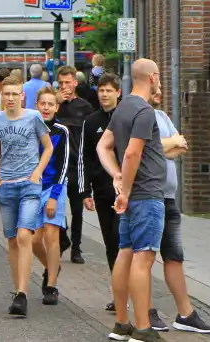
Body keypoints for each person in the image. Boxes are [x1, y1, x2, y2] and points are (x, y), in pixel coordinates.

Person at [97, 59, 168, 342]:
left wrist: (116, 177)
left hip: (130, 194)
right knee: (144, 257)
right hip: (146, 194)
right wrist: (124, 189)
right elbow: (131, 154)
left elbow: (104, 146)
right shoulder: (145, 111)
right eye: (159, 77)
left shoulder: (123, 107)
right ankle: (142, 328)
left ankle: (122, 323)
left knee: (125, 252)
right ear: (152, 77)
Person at [148, 90, 210, 335]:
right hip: (147, 197)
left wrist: (167, 146)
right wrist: (167, 145)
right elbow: (149, 148)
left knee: (174, 256)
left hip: (168, 199)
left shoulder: (162, 117)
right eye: (154, 86)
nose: (159, 92)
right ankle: (147, 312)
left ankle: (186, 314)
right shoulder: (139, 116)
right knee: (145, 257)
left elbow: (182, 145)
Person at [0, 75, 54, 317]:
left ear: (22, 96)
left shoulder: (34, 117)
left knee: (24, 234)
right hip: (5, 184)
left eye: (15, 94)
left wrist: (37, 172)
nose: (11, 98)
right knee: (13, 241)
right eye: (7, 94)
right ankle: (17, 290)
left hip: (29, 185)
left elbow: (48, 146)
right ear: (2, 95)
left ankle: (23, 294)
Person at [80, 72, 122, 311]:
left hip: (125, 190)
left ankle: (129, 291)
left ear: (118, 92)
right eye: (101, 90)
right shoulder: (91, 121)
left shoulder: (125, 118)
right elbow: (85, 157)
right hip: (102, 190)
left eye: (109, 90)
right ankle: (118, 294)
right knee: (110, 243)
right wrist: (85, 190)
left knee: (121, 240)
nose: (104, 94)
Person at [33, 86, 70, 305]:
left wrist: (55, 196)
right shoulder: (30, 127)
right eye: (43, 104)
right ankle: (52, 266)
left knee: (51, 234)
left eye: (50, 104)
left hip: (54, 186)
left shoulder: (61, 131)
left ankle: (51, 285)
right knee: (34, 240)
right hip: (33, 188)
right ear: (37, 105)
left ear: (56, 107)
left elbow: (64, 165)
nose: (46, 108)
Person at [55, 65, 95, 264]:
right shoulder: (54, 106)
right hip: (58, 166)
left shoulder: (85, 107)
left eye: (67, 82)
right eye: (61, 83)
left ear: (75, 83)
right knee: (57, 208)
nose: (64, 86)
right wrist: (56, 103)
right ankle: (63, 238)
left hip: (77, 165)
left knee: (77, 210)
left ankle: (76, 248)